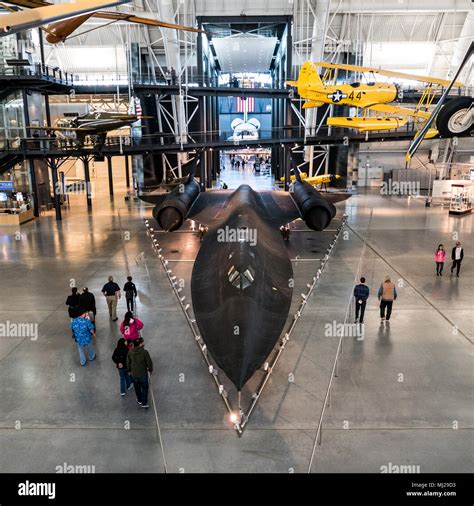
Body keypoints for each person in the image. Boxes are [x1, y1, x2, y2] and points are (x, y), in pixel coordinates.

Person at [127, 338, 153, 408]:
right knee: (144, 388)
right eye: (142, 342)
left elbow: (128, 362)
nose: (143, 343)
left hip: (134, 374)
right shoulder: (144, 352)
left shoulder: (130, 352)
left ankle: (139, 400)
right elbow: (149, 362)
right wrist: (150, 369)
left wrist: (129, 371)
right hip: (143, 374)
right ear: (140, 344)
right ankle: (144, 403)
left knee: (137, 387)